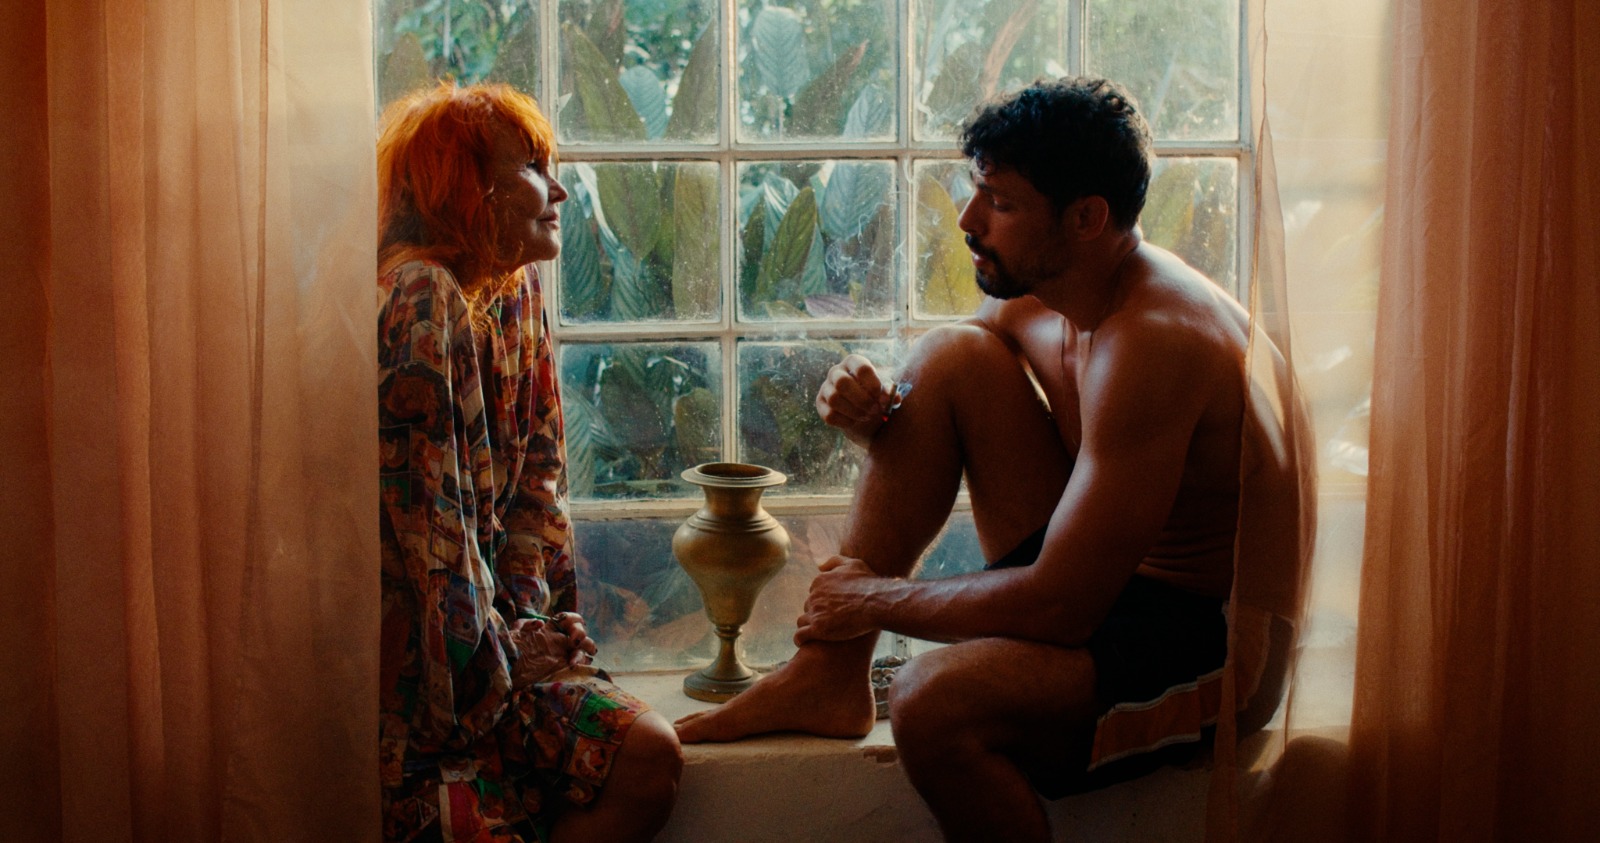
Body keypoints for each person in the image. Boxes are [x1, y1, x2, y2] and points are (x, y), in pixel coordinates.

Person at [674, 77, 1310, 841]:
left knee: (930, 700)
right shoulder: (1040, 286)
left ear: (1086, 218)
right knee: (950, 355)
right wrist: (871, 413)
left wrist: (873, 598)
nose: (969, 220)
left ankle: (851, 658)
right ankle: (826, 675)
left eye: (1001, 203)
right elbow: (937, 415)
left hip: (1211, 641)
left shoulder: (1155, 340)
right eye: (977, 190)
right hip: (1106, 580)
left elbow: (1060, 605)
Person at [377, 83, 682, 843]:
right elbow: (434, 547)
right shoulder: (419, 296)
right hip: (426, 686)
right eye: (534, 168)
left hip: (502, 647)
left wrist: (539, 626)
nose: (561, 192)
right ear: (467, 187)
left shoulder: (514, 292)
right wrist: (507, 657)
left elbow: (539, 490)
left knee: (647, 754)